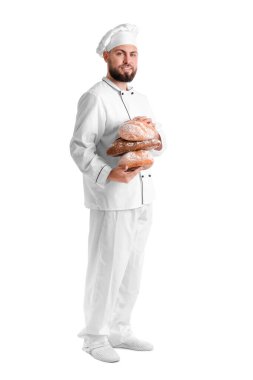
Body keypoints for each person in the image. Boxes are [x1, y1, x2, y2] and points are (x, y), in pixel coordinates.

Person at [69, 23, 167, 363]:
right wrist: (108, 171)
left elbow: (157, 143)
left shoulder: (143, 99)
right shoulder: (95, 97)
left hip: (144, 195)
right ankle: (95, 336)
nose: (128, 60)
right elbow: (79, 147)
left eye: (133, 54)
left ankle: (120, 329)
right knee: (107, 267)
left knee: (133, 267)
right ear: (107, 56)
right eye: (121, 53)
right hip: (112, 197)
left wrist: (155, 139)